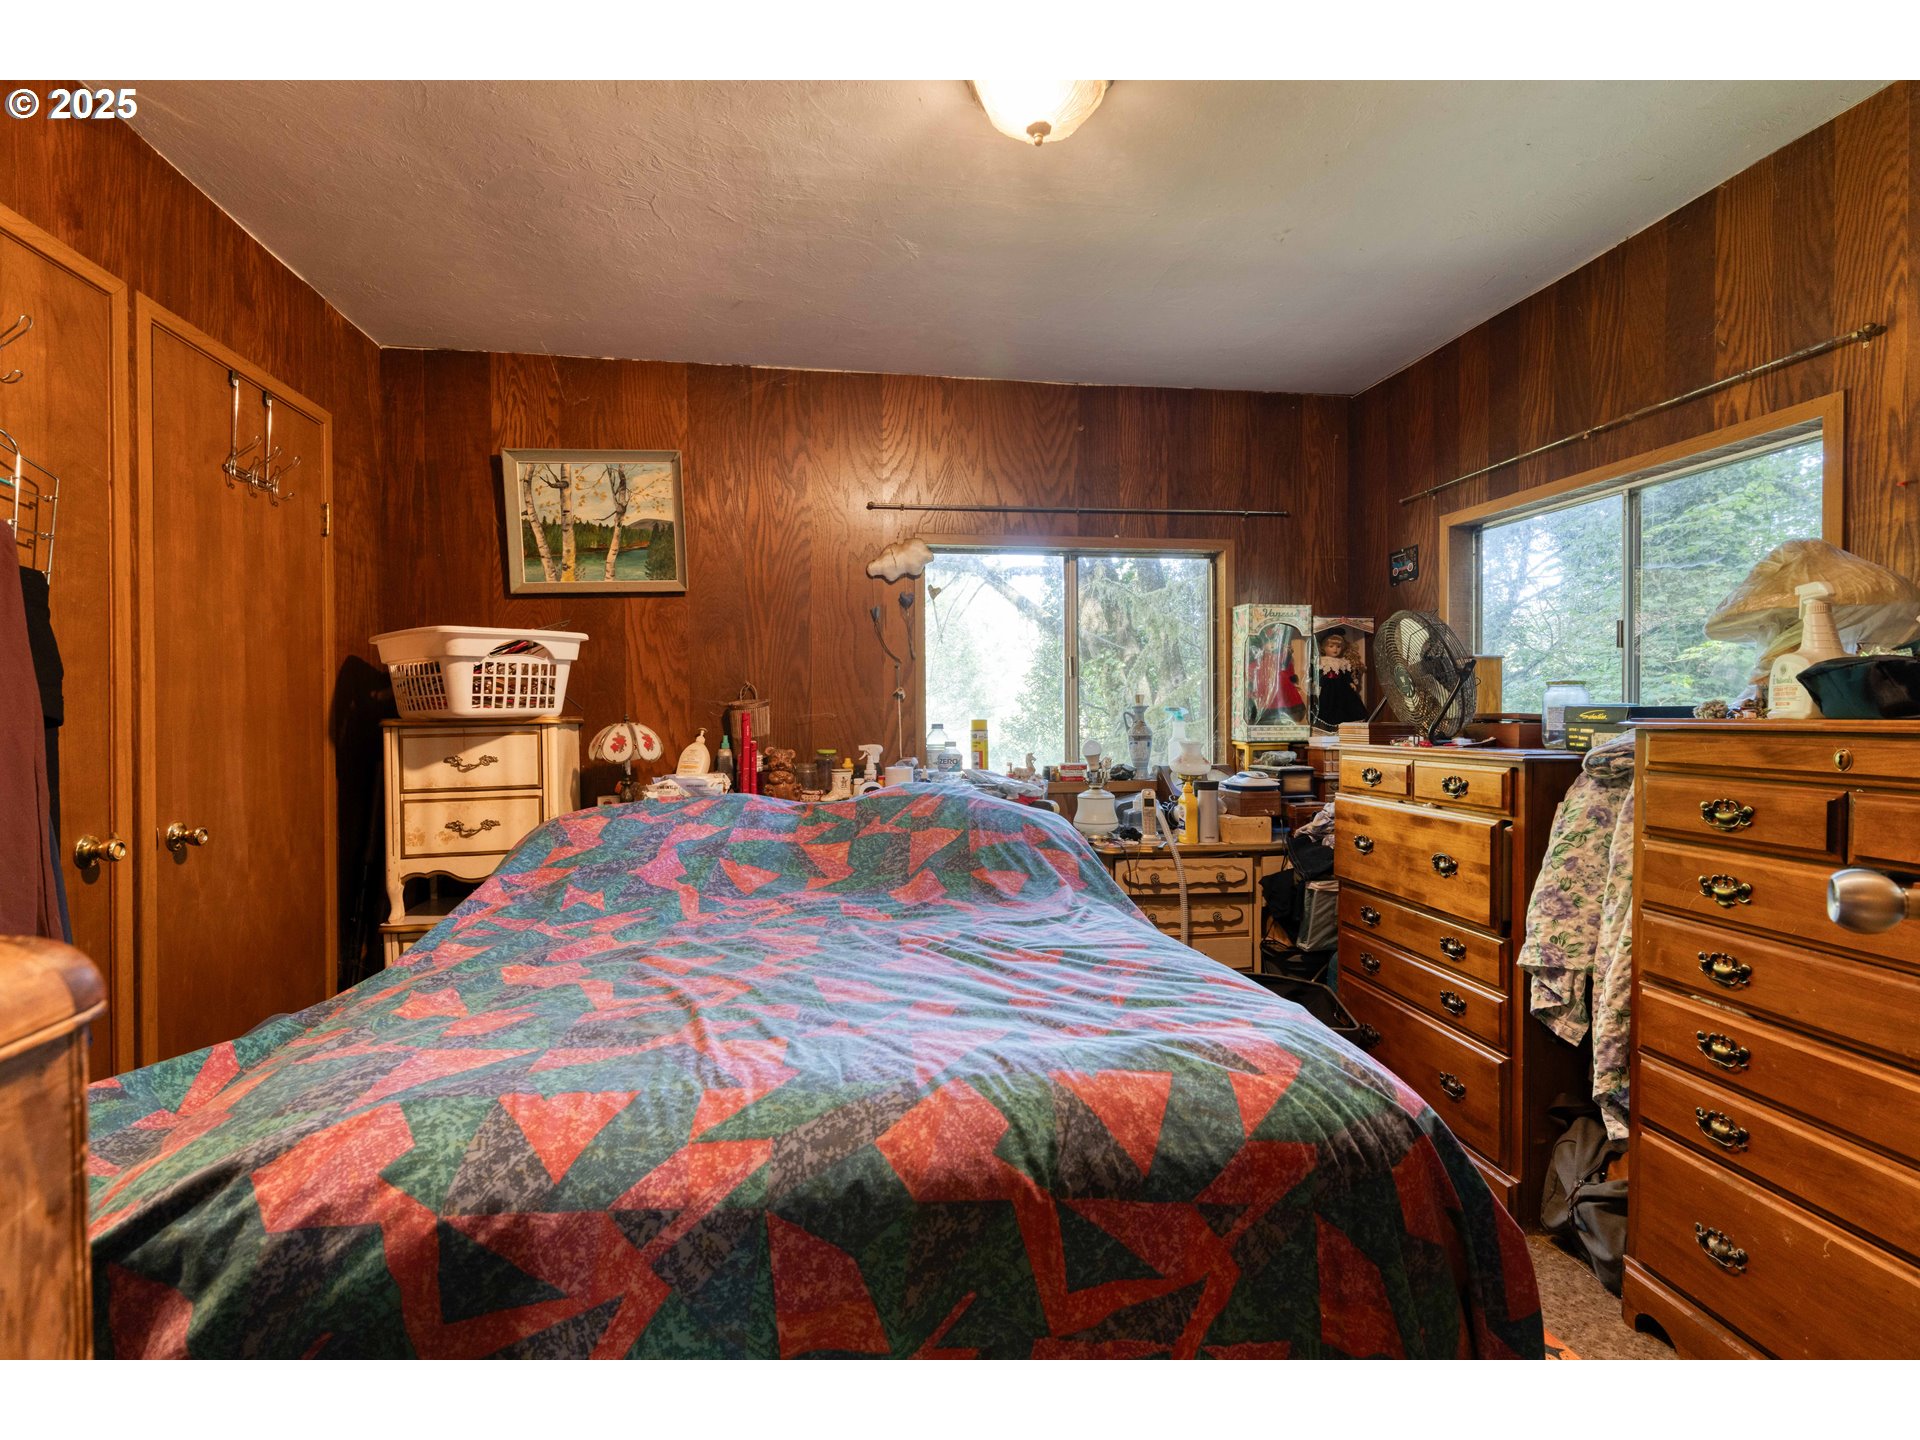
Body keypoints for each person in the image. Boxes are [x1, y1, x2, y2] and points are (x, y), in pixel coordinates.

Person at [1247, 622, 1305, 726]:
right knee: (1267, 704)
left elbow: (1287, 666)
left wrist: (1288, 654)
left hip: (1282, 686)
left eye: (1275, 642)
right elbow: (1253, 668)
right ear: (1263, 644)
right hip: (1265, 687)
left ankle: (1282, 719)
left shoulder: (1280, 656)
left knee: (1282, 700)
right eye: (1270, 643)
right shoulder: (1260, 659)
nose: (1273, 645)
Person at [1315, 628, 1369, 726]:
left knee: (1345, 705)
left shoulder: (1342, 662)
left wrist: (1350, 682)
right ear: (1324, 648)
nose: (1335, 649)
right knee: (1328, 705)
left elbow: (1345, 675)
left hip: (1342, 687)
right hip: (1328, 687)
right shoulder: (1322, 661)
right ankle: (1329, 725)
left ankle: (1344, 725)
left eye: (1338, 646)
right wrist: (1317, 684)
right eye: (1331, 646)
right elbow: (1319, 674)